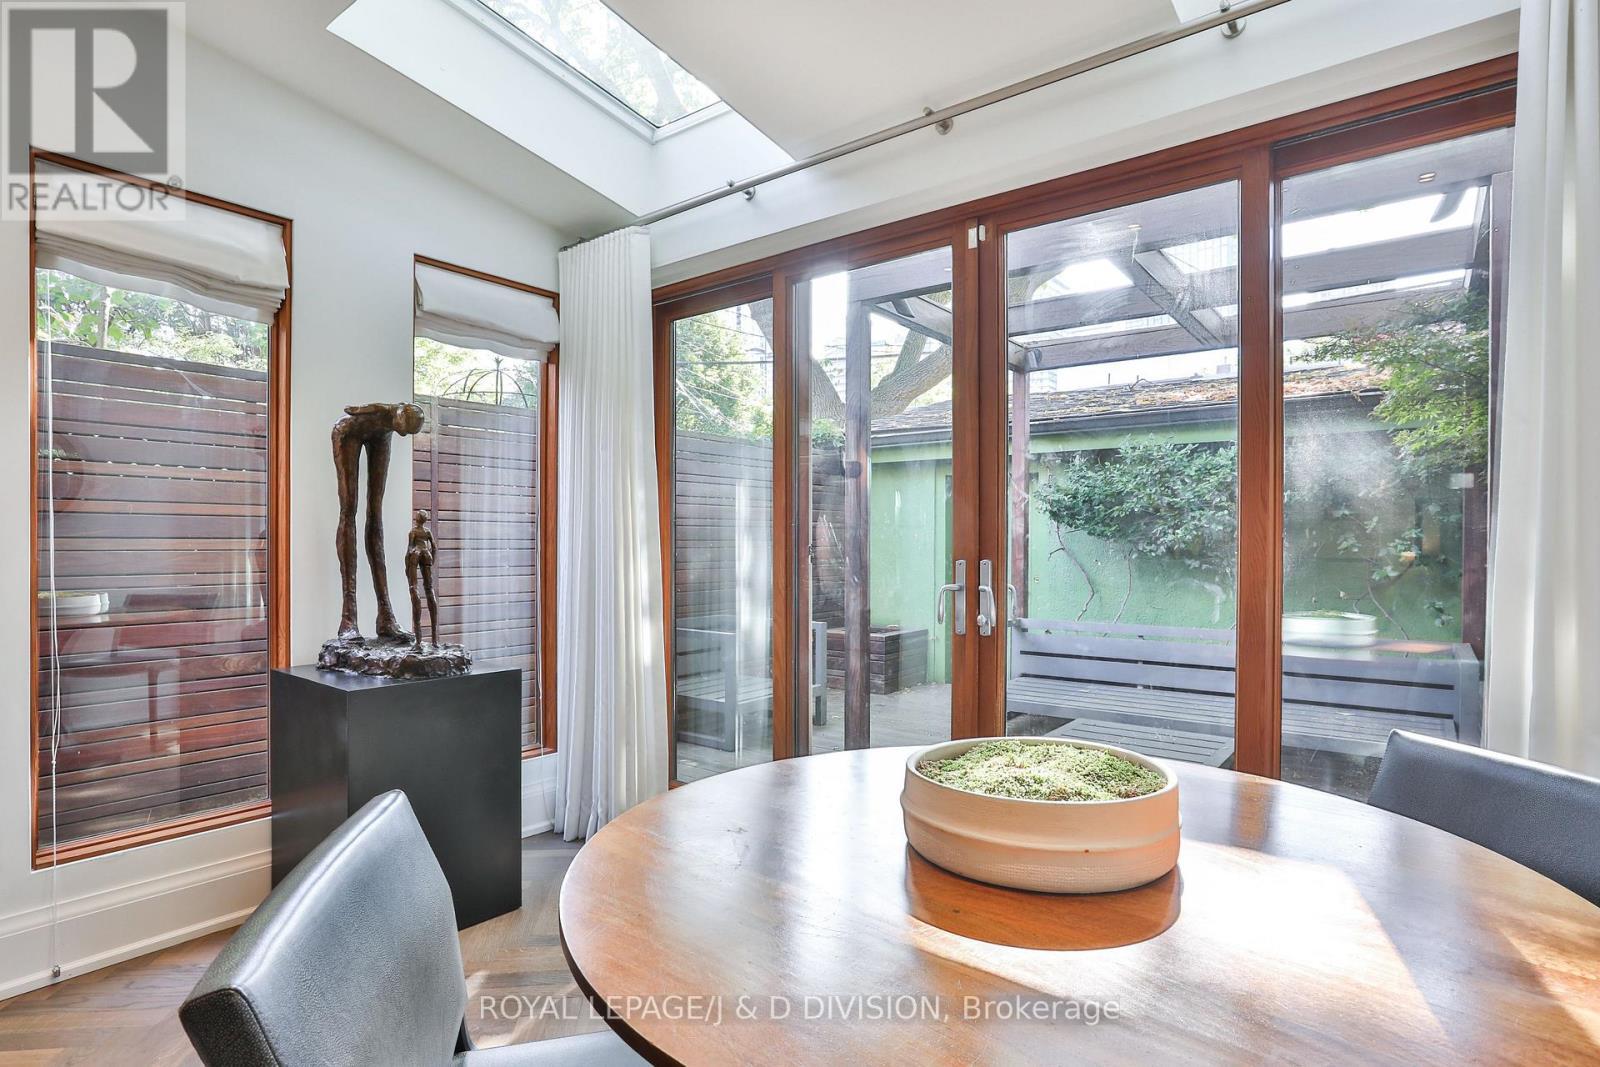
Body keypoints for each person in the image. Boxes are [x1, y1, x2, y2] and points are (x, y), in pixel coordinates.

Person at [332, 402, 424, 641]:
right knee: (348, 511)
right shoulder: (382, 411)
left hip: (379, 437)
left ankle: (386, 615)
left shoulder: (391, 425)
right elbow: (352, 409)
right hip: (348, 434)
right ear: (398, 418)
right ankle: (348, 616)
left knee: (376, 515)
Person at [405, 509, 439, 649]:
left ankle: (418, 641)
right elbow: (434, 547)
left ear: (417, 519)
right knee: (429, 590)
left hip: (416, 554)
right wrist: (433, 561)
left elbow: (409, 548)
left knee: (414, 589)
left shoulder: (413, 532)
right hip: (426, 555)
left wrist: (407, 567)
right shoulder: (427, 532)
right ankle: (434, 640)